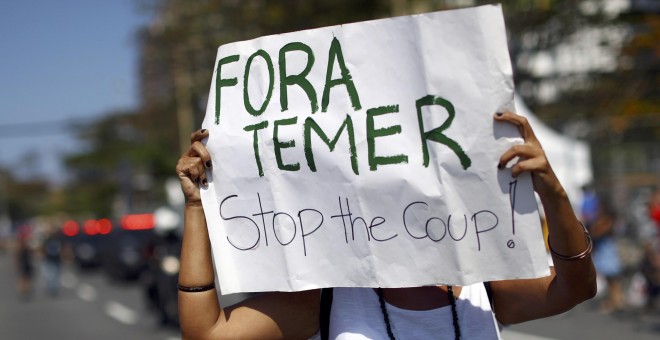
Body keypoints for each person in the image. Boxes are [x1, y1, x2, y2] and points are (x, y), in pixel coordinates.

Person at [175, 111, 596, 339]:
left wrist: (552, 191)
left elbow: (575, 286)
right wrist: (197, 208)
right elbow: (207, 334)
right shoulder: (329, 295)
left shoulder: (481, 287)